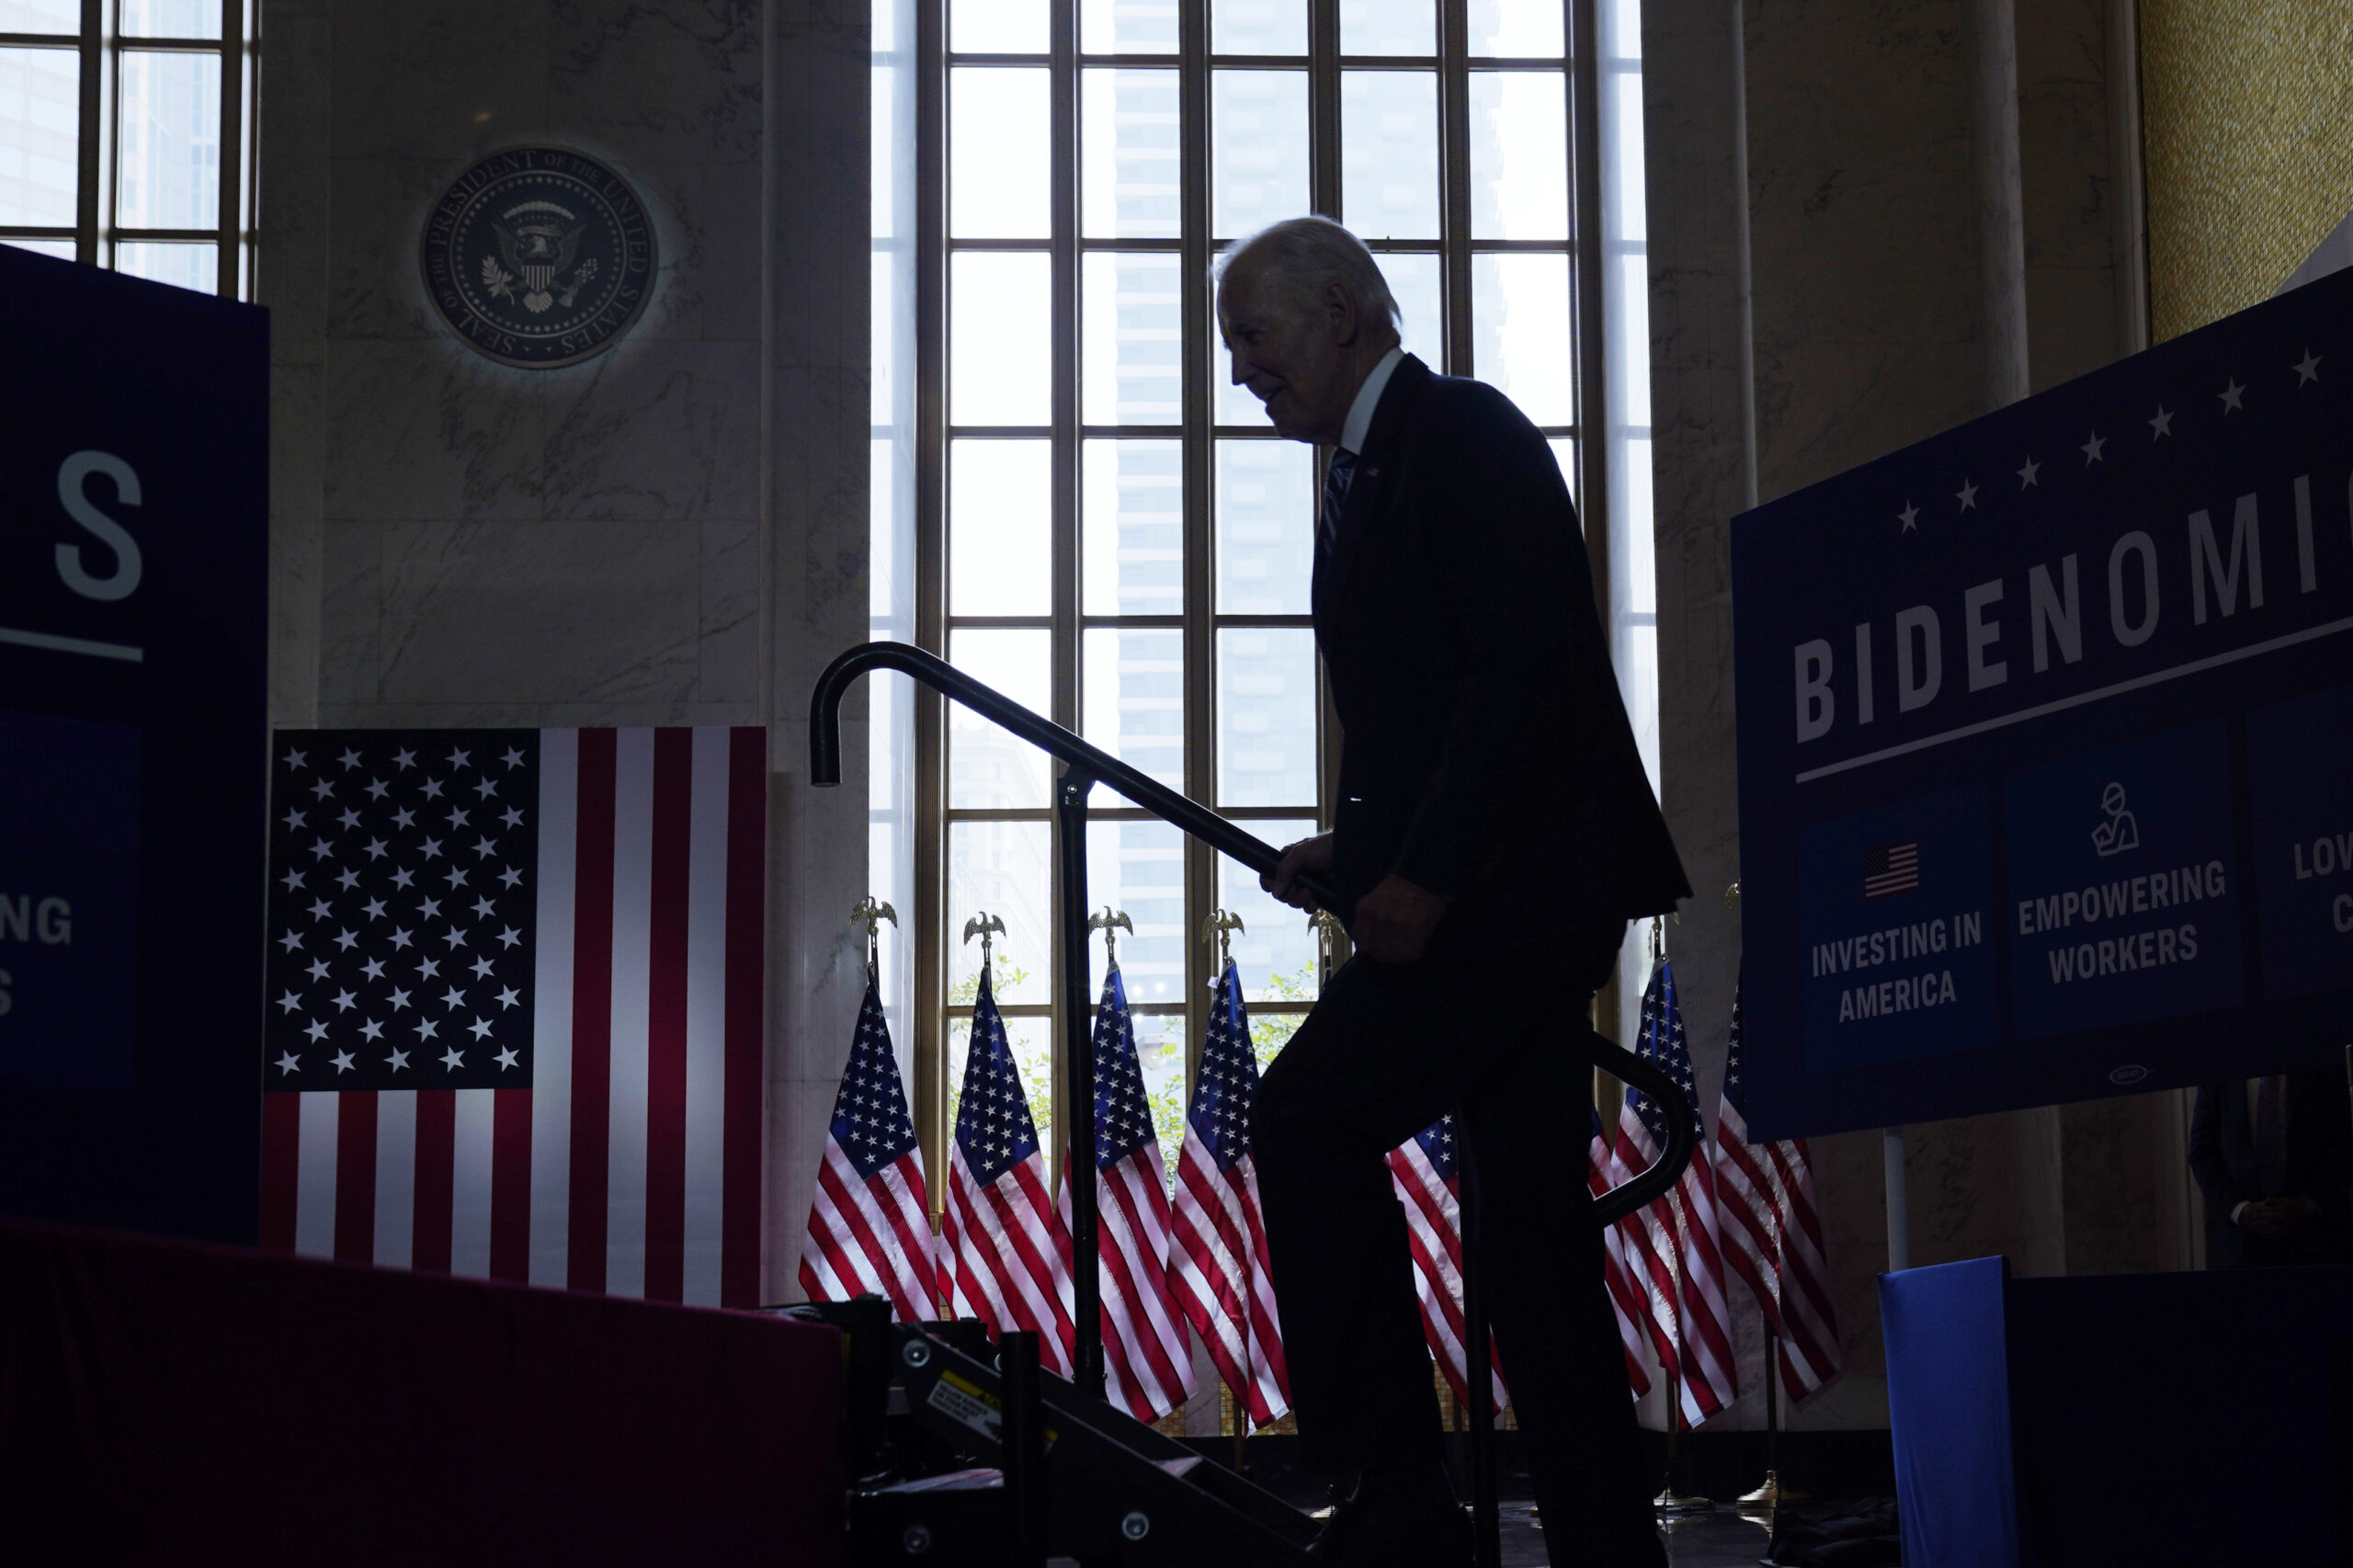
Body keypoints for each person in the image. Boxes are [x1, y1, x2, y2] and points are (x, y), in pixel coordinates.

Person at [1220, 216, 1689, 1568]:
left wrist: (1423, 874)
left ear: (1344, 313)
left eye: (1254, 335)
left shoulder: (1463, 431)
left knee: (1308, 1114)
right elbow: (1427, 708)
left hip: (1510, 903)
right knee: (1533, 1244)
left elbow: (1522, 676)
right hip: (1502, 892)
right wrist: (1360, 851)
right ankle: (1607, 1545)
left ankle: (1399, 1497)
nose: (1243, 370)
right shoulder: (1369, 467)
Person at [2188, 1070, 2353, 1268]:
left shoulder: (2322, 1065)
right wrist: (2239, 1211)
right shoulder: (2220, 1072)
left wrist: (2308, 1203)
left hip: (2322, 1239)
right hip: (2244, 1248)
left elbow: (2346, 1141)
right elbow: (2202, 1154)